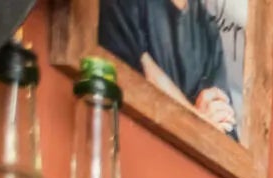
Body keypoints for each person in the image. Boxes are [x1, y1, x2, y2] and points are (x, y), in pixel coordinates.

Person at [98, 0, 239, 134]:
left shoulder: (207, 31)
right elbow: (133, 72)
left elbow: (223, 126)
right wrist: (197, 120)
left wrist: (201, 121)